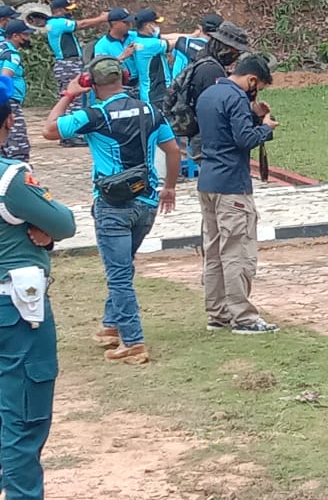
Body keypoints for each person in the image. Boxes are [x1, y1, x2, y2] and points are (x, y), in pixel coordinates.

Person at [41, 56, 180, 365]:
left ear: (92, 83)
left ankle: (133, 342)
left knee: (118, 276)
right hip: (146, 204)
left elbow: (49, 130)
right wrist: (169, 187)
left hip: (112, 206)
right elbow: (173, 151)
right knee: (123, 267)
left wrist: (69, 94)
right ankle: (111, 325)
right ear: (124, 78)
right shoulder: (150, 111)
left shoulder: (94, 115)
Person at [0, 74, 77, 500]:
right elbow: (63, 223)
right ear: (9, 120)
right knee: (23, 423)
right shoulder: (10, 180)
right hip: (14, 311)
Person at [195, 54, 279, 334]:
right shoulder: (236, 99)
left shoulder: (208, 94)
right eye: (258, 86)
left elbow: (223, 132)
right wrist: (265, 128)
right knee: (237, 252)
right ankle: (243, 316)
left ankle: (218, 312)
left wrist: (251, 117)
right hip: (232, 184)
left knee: (214, 251)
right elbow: (244, 139)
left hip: (207, 181)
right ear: (252, 79)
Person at [44, 0, 109, 147]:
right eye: (67, 10)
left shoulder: (55, 23)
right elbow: (83, 24)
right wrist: (102, 18)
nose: (69, 13)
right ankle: (70, 135)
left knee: (72, 98)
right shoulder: (57, 23)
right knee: (73, 98)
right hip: (68, 64)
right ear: (59, 10)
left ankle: (68, 134)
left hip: (68, 64)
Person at [181, 21, 250, 160]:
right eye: (234, 50)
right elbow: (217, 108)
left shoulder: (204, 60)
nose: (235, 55)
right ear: (224, 47)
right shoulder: (211, 70)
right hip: (209, 141)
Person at [126, 8, 190, 107]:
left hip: (147, 90)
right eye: (155, 23)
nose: (158, 26)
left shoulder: (137, 38)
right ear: (148, 26)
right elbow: (175, 42)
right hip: (155, 93)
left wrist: (192, 35)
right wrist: (193, 39)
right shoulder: (150, 45)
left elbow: (168, 36)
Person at [0, 20, 36, 161]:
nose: (28, 38)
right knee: (18, 143)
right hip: (9, 100)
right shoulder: (12, 55)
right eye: (25, 35)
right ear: (15, 36)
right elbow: (5, 77)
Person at [92, 8, 139, 96]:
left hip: (139, 82)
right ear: (115, 24)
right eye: (125, 22)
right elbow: (101, 69)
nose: (129, 24)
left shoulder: (133, 36)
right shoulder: (102, 45)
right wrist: (123, 56)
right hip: (117, 87)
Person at [171, 12, 223, 79]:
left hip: (173, 85)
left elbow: (172, 59)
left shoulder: (183, 41)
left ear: (200, 28)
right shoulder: (216, 53)